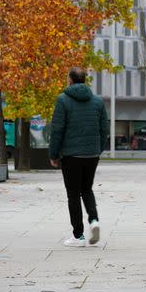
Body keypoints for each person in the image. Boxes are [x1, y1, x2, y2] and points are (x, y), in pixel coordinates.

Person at [49, 67, 109, 247]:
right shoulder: (97, 102)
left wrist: (53, 154)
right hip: (92, 154)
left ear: (70, 80)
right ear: (84, 80)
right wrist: (98, 149)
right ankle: (94, 220)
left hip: (71, 155)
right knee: (87, 189)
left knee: (73, 194)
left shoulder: (63, 100)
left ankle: (78, 236)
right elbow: (104, 129)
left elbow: (57, 129)